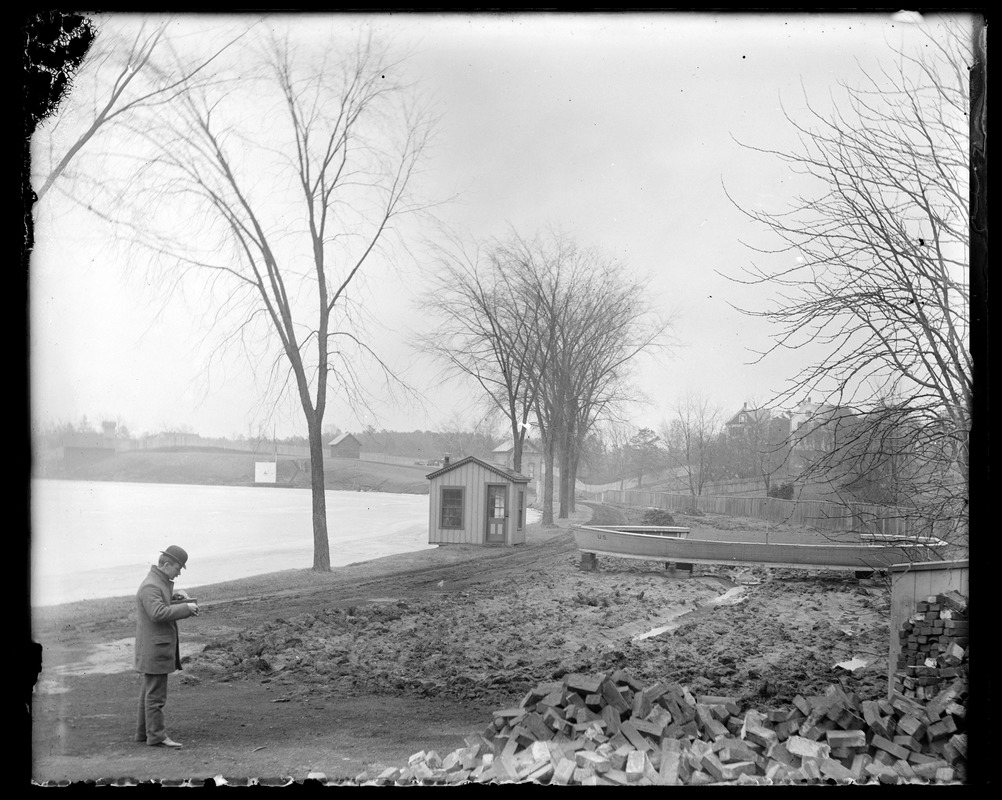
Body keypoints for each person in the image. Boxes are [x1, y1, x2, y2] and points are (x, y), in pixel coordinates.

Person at [134, 545, 199, 748]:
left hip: (153, 648)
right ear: (166, 564)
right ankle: (157, 737)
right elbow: (157, 613)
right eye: (178, 568)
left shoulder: (156, 582)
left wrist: (175, 598)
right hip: (156, 650)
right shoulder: (151, 586)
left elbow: (160, 604)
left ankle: (144, 734)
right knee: (156, 696)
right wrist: (185, 608)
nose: (179, 572)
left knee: (149, 692)